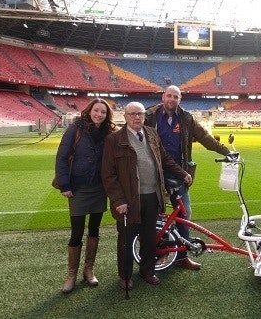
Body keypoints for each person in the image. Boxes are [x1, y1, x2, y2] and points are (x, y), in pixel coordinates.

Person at [102, 101, 192, 290]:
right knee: (126, 239)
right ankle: (125, 276)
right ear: (125, 117)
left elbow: (165, 158)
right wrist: (118, 200)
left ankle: (147, 271)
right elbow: (108, 174)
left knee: (150, 237)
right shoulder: (115, 139)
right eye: (132, 114)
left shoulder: (151, 133)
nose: (137, 117)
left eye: (140, 114)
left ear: (144, 116)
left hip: (152, 196)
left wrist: (182, 173)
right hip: (129, 200)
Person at [144, 85, 231, 270]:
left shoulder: (186, 118)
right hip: (154, 173)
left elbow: (205, 138)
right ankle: (161, 253)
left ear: (180, 99)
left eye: (176, 97)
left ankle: (181, 257)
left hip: (179, 174)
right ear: (163, 96)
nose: (172, 99)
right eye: (169, 96)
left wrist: (227, 151)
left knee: (184, 213)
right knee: (158, 216)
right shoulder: (150, 116)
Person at [54, 98, 116, 294]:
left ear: (107, 116)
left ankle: (89, 269)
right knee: (76, 232)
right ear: (89, 111)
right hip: (78, 187)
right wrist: (65, 184)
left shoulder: (109, 132)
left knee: (95, 229)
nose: (99, 114)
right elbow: (62, 157)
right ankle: (71, 274)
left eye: (103, 112)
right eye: (97, 110)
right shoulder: (76, 129)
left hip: (99, 187)